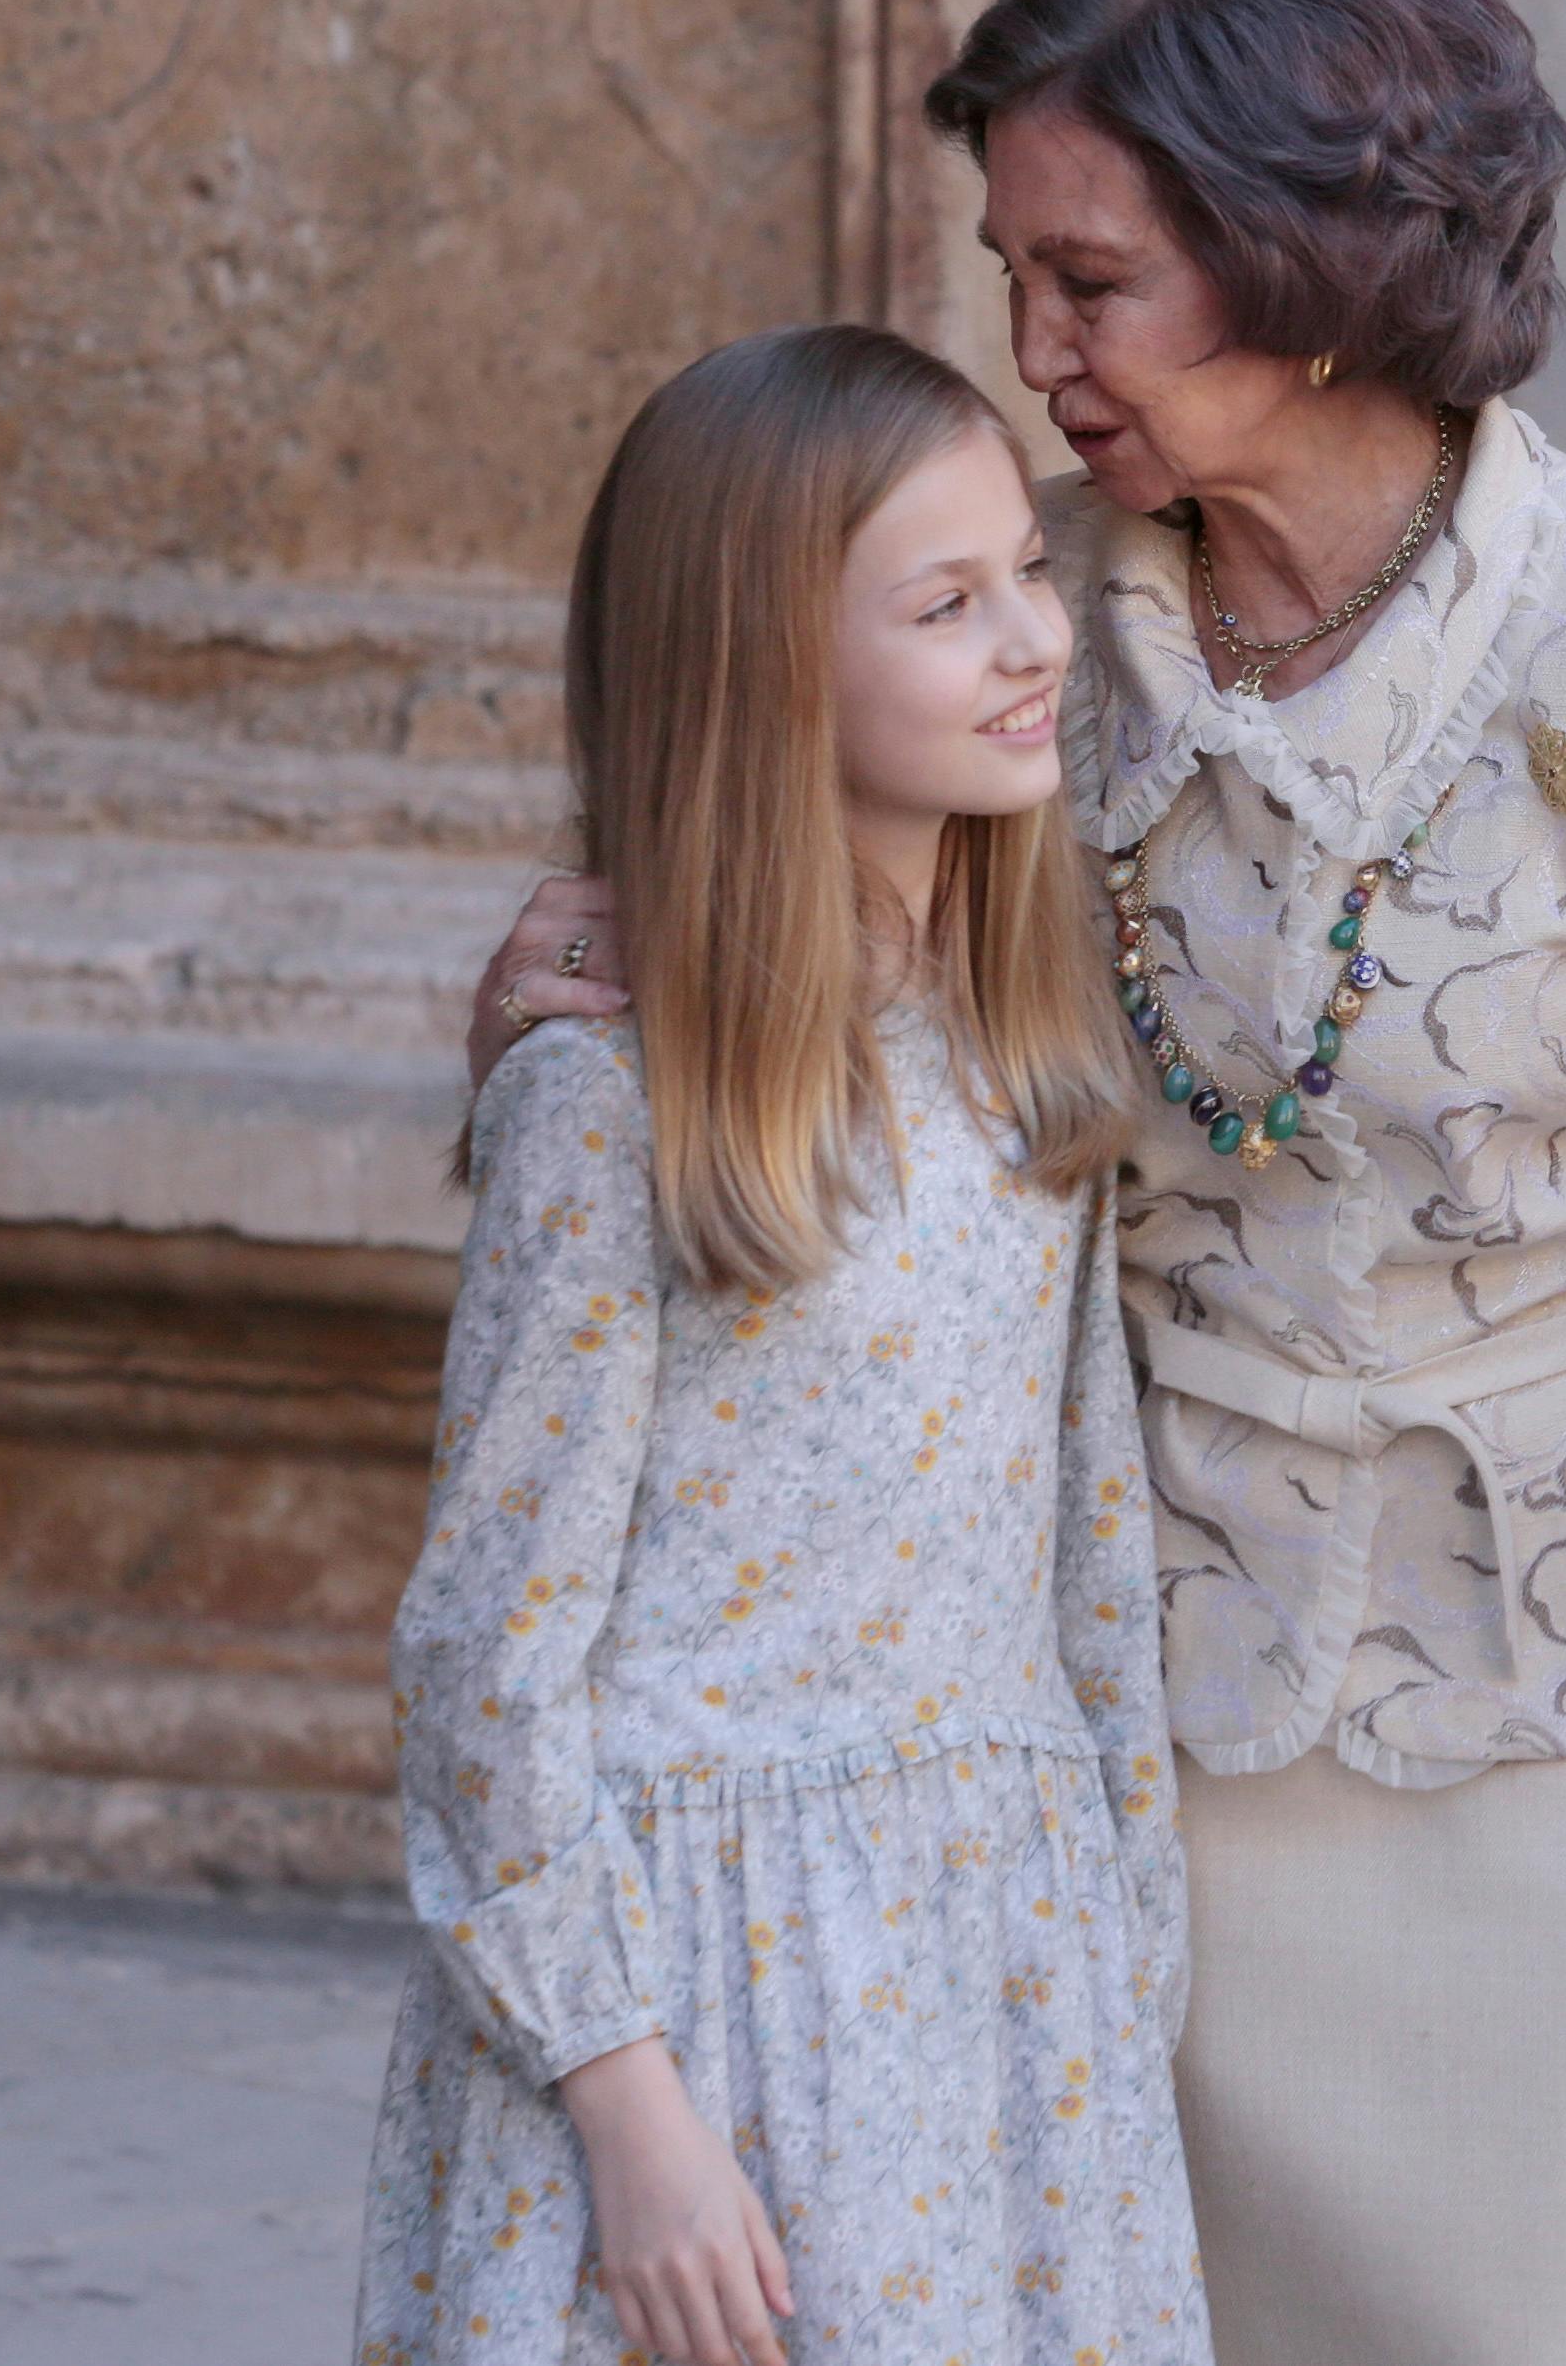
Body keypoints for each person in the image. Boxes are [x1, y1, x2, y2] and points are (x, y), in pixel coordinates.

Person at [474, 0, 1566, 2366]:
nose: (1030, 345)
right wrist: (582, 1004)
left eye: (1090, 280)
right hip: (1179, 1734)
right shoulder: (1030, 629)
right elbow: (787, 941)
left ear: (1312, 258)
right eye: (1010, 269)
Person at [362, 324, 1208, 2366]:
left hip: (991, 1974)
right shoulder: (610, 1102)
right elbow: (489, 1651)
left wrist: (1114, 1956)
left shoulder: (1027, 1068)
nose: (1031, 641)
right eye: (945, 602)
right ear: (761, 667)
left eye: (1030, 567)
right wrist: (627, 2106)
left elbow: (1087, 1565)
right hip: (691, 2005)